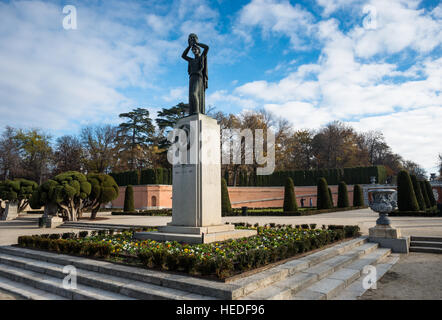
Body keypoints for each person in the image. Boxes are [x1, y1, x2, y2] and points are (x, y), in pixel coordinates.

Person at [181, 34, 209, 114]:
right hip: (191, 78)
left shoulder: (202, 57)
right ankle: (193, 111)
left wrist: (197, 43)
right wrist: (189, 46)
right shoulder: (191, 60)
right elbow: (183, 56)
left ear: (199, 50)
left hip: (198, 77)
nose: (194, 50)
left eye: (195, 49)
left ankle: (197, 111)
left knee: (194, 93)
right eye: (193, 50)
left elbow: (207, 47)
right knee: (191, 96)